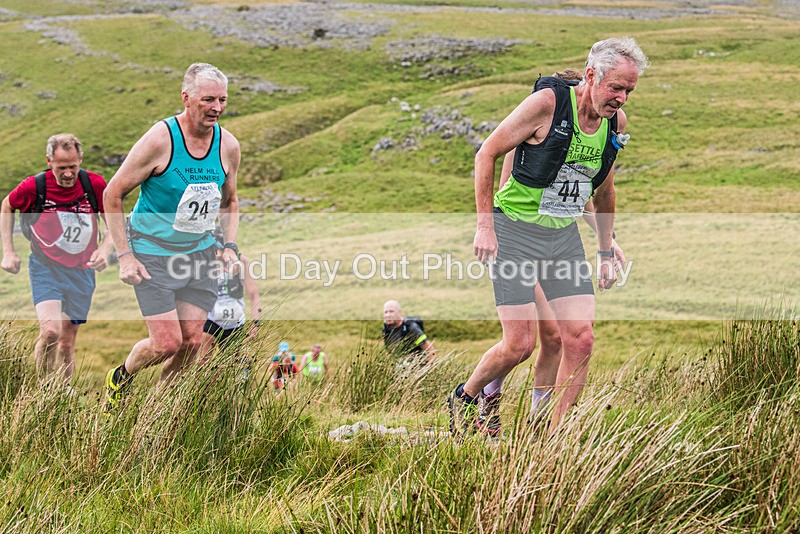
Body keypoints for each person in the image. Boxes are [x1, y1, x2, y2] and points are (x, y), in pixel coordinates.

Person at [449, 37, 648, 437]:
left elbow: (599, 189)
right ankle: (466, 397)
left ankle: (553, 437)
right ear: (592, 75)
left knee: (581, 337)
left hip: (562, 237)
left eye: (629, 90)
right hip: (515, 233)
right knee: (519, 346)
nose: (622, 98)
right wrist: (486, 225)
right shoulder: (547, 106)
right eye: (616, 88)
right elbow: (486, 153)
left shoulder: (614, 124)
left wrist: (606, 249)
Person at [476, 95, 628, 435]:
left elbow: (579, 198)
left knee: (559, 338)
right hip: (518, 240)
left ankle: (539, 420)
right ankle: (488, 395)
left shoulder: (583, 140)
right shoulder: (527, 138)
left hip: (557, 241)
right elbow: (507, 192)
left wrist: (609, 241)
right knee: (529, 339)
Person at [102, 62, 241, 409]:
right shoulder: (160, 139)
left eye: (222, 100)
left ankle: (156, 413)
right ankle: (120, 377)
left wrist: (229, 246)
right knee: (166, 343)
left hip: (199, 254)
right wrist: (125, 255)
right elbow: (112, 193)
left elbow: (230, 200)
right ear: (186, 97)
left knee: (193, 342)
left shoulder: (228, 146)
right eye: (208, 99)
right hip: (152, 252)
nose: (217, 108)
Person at [1, 134, 112, 383]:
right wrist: (8, 251)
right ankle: (41, 389)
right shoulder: (34, 186)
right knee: (50, 331)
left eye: (73, 166)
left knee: (66, 343)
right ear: (49, 161)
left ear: (80, 159)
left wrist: (105, 250)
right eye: (62, 168)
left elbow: (114, 221)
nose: (69, 173)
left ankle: (64, 396)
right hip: (45, 268)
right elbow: (7, 205)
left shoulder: (94, 185)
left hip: (82, 271)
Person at [197, 228, 262, 368]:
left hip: (235, 322)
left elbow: (254, 294)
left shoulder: (242, 262)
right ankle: (202, 388)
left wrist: (256, 323)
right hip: (211, 320)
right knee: (203, 364)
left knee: (232, 367)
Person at [382, 300, 436, 365]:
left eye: (391, 311)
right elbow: (390, 353)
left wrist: (427, 370)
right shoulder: (386, 330)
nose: (388, 315)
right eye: (386, 312)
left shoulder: (412, 328)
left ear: (399, 312)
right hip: (400, 367)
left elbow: (430, 350)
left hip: (416, 367)